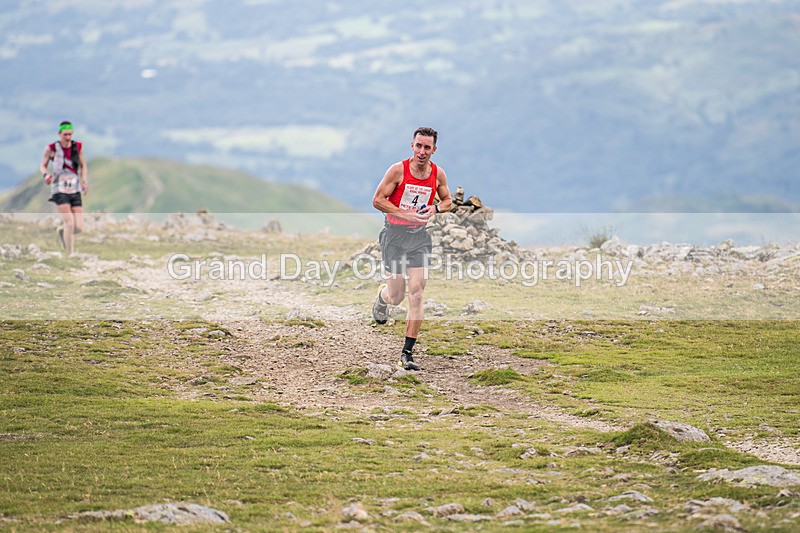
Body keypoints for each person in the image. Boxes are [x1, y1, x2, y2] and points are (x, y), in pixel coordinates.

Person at [371, 127, 452, 371]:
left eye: (427, 147)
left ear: (434, 150)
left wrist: (435, 209)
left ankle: (407, 353)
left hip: (419, 239)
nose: (422, 151)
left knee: (416, 294)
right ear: (412, 145)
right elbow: (377, 200)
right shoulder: (398, 170)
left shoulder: (437, 174)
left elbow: (448, 201)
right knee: (397, 296)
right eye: (419, 146)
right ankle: (382, 297)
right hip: (394, 237)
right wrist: (404, 213)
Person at [40, 121, 88, 255]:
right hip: (59, 189)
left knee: (78, 227)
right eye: (65, 134)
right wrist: (46, 175)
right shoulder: (51, 148)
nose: (68, 137)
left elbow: (83, 165)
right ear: (59, 134)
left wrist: (84, 181)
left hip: (74, 188)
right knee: (70, 222)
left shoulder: (77, 146)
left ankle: (62, 231)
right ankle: (70, 254)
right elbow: (42, 166)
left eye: (70, 134)